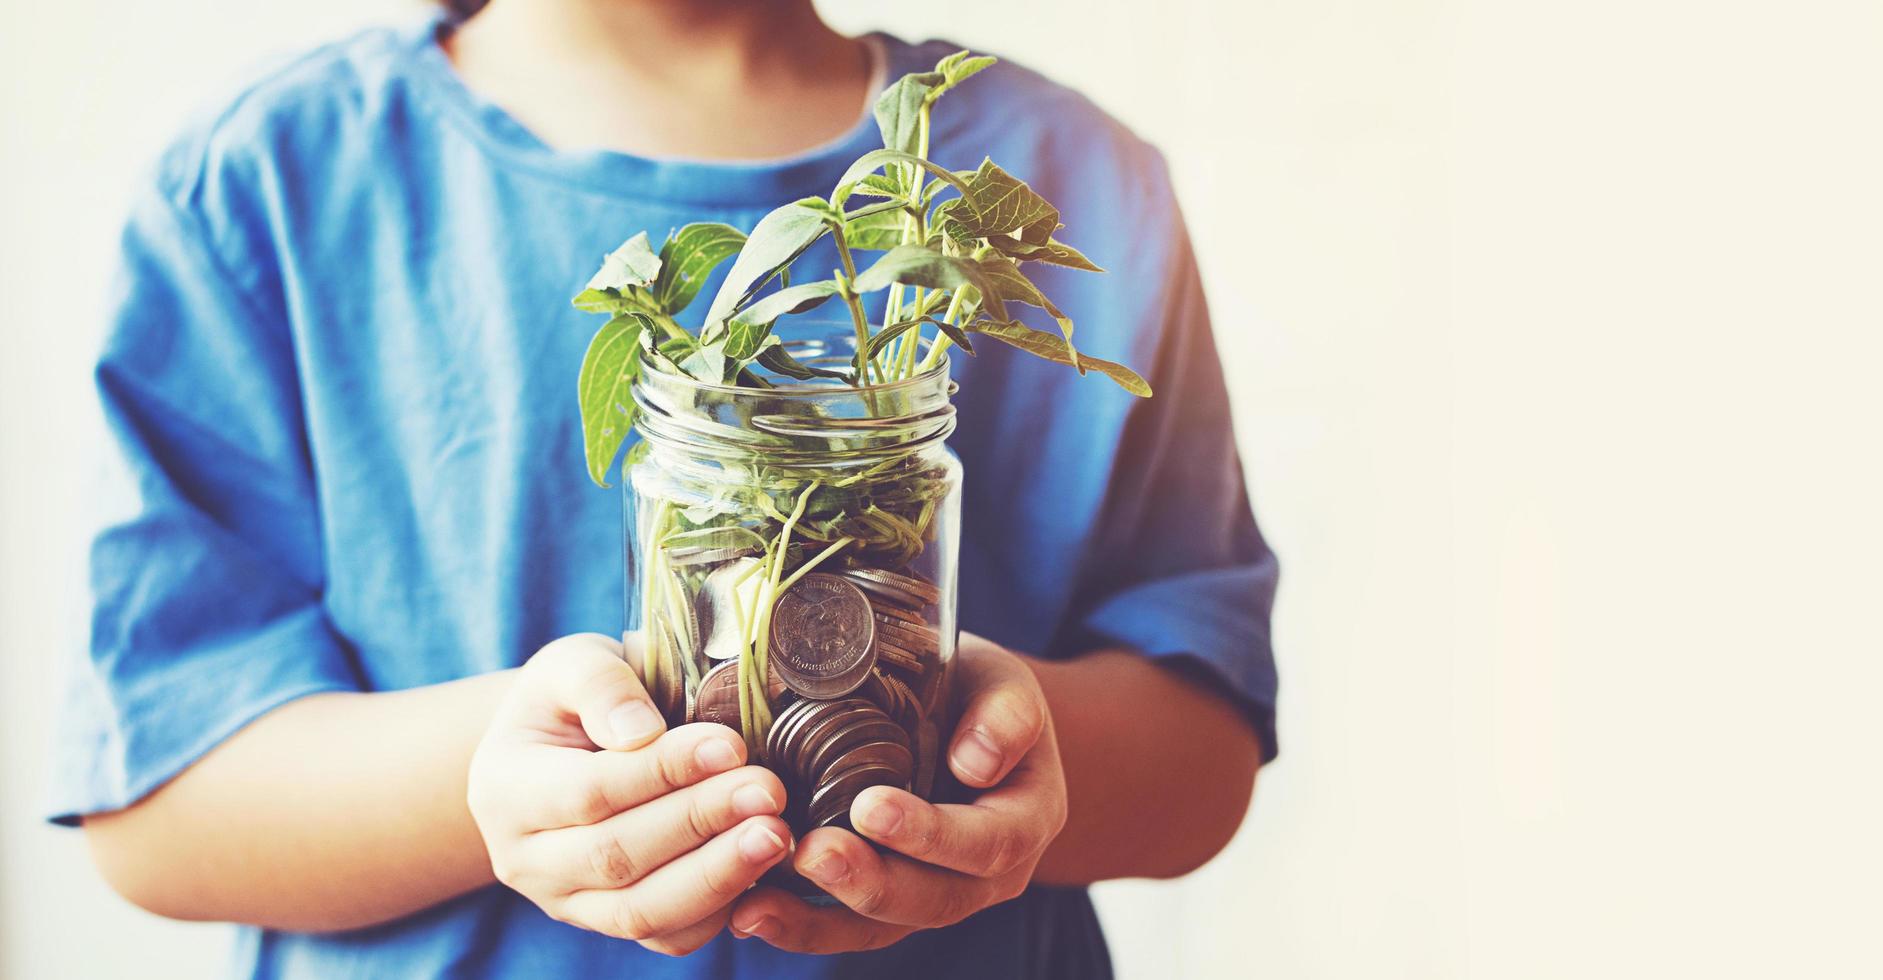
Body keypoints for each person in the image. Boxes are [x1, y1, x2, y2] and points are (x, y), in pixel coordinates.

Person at [56, 0, 1280, 976]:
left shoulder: (1077, 180)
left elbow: (1206, 745)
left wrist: (1003, 750)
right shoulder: (264, 187)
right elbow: (157, 802)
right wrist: (497, 780)